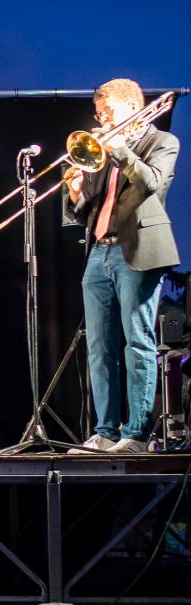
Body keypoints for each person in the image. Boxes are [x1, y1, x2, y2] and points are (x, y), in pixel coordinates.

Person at [65, 78, 179, 453]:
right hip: (99, 253)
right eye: (98, 113)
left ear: (133, 107)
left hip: (138, 249)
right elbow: (88, 212)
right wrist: (76, 192)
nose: (101, 119)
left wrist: (121, 151)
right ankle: (105, 430)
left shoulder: (162, 142)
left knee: (137, 342)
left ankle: (136, 434)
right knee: (99, 347)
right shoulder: (102, 153)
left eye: (108, 111)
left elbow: (153, 183)